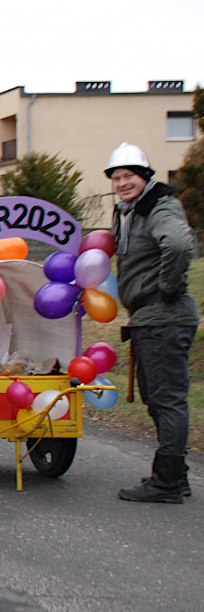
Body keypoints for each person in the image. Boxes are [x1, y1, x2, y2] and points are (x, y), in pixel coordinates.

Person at [106, 143, 198, 504]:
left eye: (129, 175)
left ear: (145, 176)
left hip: (165, 315)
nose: (122, 182)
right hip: (149, 317)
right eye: (116, 177)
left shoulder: (160, 205)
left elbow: (177, 245)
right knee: (157, 398)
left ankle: (168, 481)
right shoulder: (131, 210)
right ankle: (177, 475)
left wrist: (168, 287)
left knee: (167, 399)